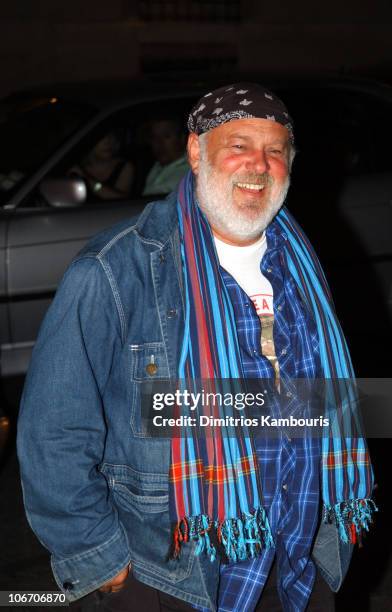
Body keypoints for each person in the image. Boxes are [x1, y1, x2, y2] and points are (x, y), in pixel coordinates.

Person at [17, 84, 376, 612]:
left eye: (275, 151)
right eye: (239, 145)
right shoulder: (115, 270)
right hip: (174, 573)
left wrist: (336, 521)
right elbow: (54, 430)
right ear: (195, 152)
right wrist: (100, 560)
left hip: (298, 561)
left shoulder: (302, 262)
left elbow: (323, 402)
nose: (258, 165)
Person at [68, 131, 134, 201]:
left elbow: (121, 201)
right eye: (101, 138)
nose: (108, 142)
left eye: (111, 137)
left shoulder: (124, 167)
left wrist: (89, 181)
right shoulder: (76, 167)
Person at [142, 118, 189, 196]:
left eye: (166, 136)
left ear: (182, 138)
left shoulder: (191, 172)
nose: (159, 143)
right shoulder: (155, 166)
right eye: (154, 137)